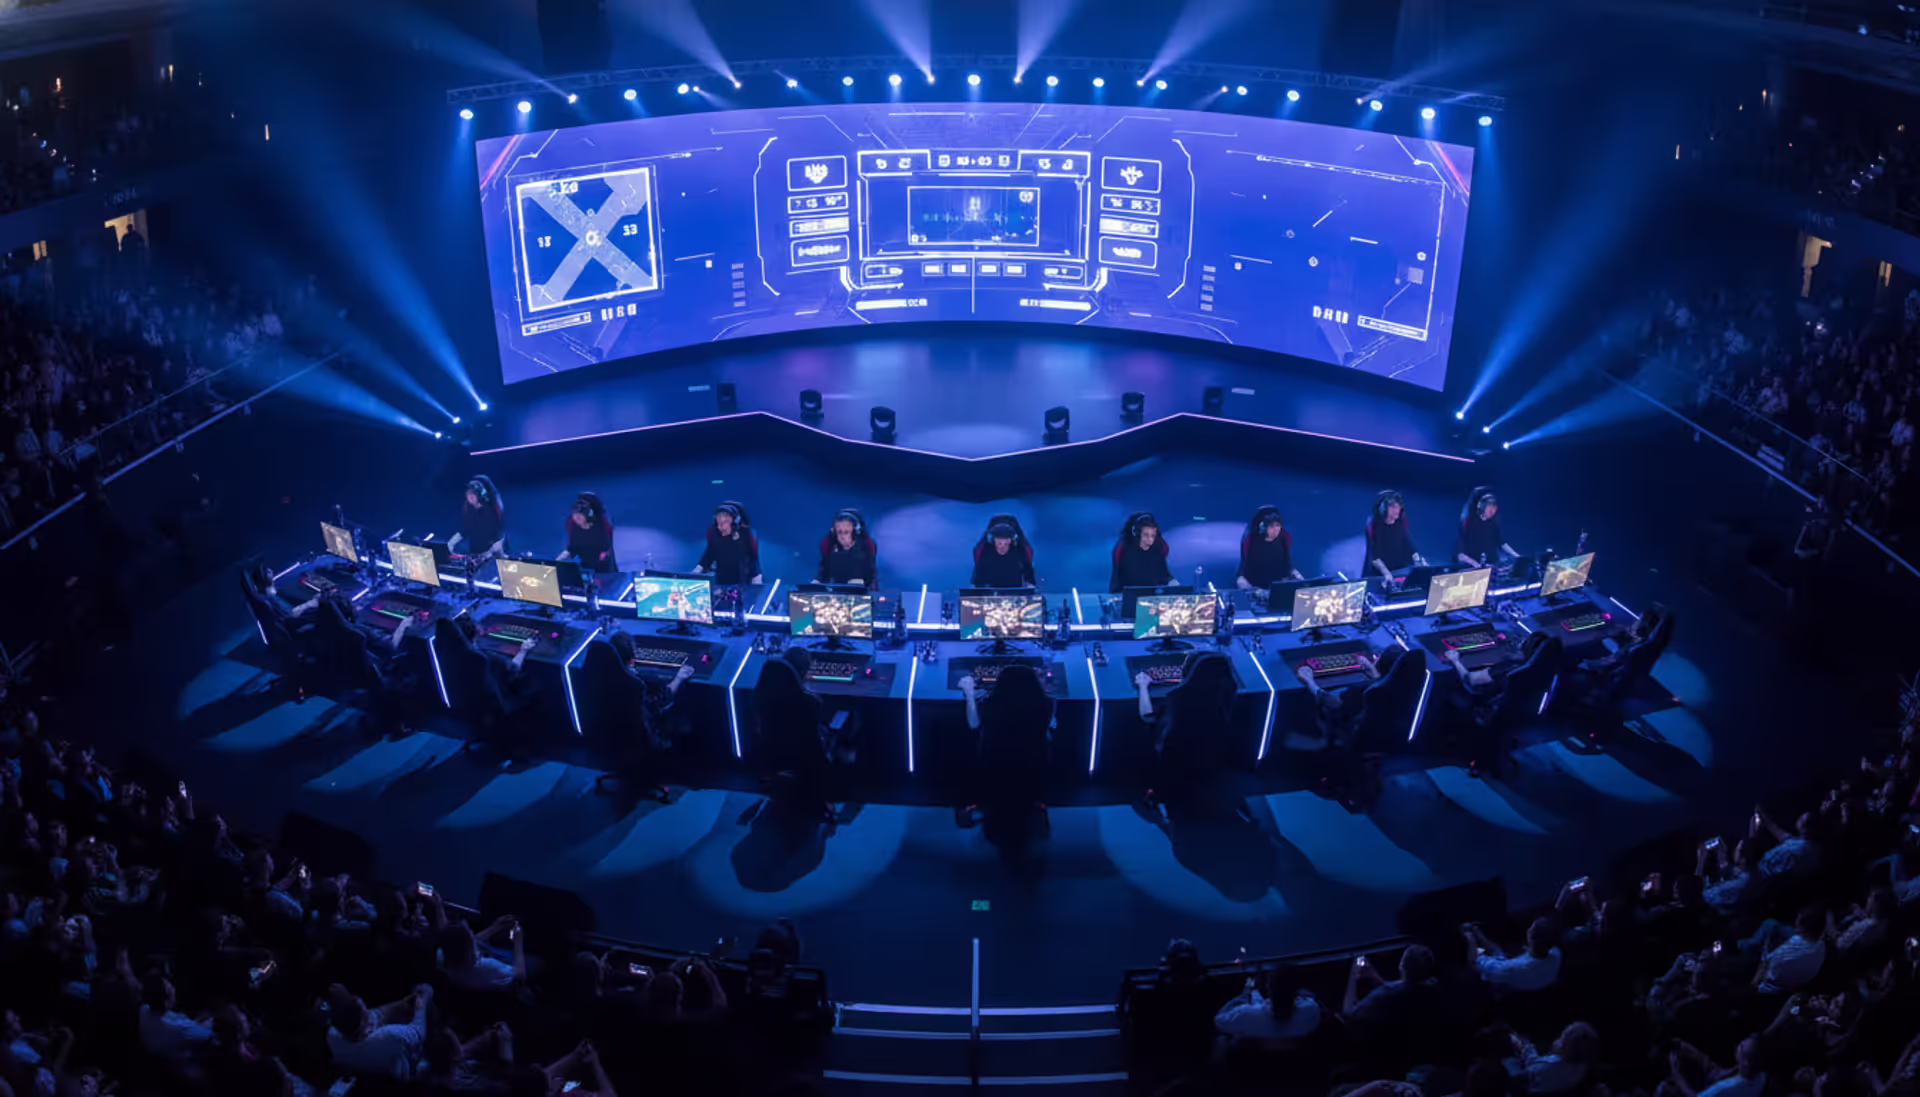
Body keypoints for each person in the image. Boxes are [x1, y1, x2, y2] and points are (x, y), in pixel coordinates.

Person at [1213, 963, 1323, 1047]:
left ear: (1268, 987)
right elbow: (1310, 998)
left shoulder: (1244, 1015)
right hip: (1295, 1069)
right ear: (1297, 990)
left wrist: (1245, 993)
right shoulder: (1311, 1012)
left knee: (1222, 1041)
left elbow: (1219, 1020)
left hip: (1255, 1071)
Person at [1466, 917, 1563, 994]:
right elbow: (1499, 955)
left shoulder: (1514, 968)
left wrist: (1470, 939)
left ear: (1530, 937)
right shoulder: (1556, 951)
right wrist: (1478, 934)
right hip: (1540, 980)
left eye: (1531, 927)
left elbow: (1476, 962)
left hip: (1517, 989)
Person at [1235, 506, 1303, 591]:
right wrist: (1255, 590)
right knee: (1241, 582)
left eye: (1277, 525)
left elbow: (1287, 565)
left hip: (1279, 585)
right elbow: (1242, 575)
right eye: (1271, 526)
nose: (1275, 530)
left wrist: (1299, 578)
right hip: (1255, 586)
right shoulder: (1250, 540)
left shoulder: (1284, 537)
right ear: (1262, 527)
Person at [695, 502, 761, 585]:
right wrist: (692, 576)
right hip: (721, 583)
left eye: (725, 520)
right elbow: (706, 560)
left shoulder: (745, 536)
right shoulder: (715, 536)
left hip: (742, 584)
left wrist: (757, 585)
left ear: (734, 521)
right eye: (718, 521)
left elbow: (753, 563)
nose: (721, 526)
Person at [1364, 490, 1423, 581]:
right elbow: (1375, 556)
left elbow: (1408, 545)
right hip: (1380, 573)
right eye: (1393, 507)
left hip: (1400, 569)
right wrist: (1386, 573)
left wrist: (1418, 560)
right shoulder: (1375, 526)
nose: (1397, 510)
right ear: (1383, 509)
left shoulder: (1401, 522)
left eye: (1398, 506)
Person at [1109, 512, 1173, 592]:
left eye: (1153, 535)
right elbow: (1117, 581)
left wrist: (1171, 582)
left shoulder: (1158, 550)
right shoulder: (1124, 550)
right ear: (1136, 533)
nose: (1150, 539)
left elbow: (1164, 575)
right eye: (1146, 535)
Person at [448, 476, 506, 562]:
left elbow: (500, 536)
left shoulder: (492, 508)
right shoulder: (468, 508)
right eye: (468, 494)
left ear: (480, 495)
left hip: (494, 554)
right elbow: (466, 530)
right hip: (475, 552)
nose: (470, 497)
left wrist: (489, 552)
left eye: (473, 494)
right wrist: (451, 542)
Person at [1456, 487, 1519, 566]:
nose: (1493, 511)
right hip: (1474, 568)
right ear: (1481, 507)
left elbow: (1501, 542)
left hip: (1492, 565)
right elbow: (1460, 555)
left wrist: (1517, 556)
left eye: (1494, 508)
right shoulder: (1468, 522)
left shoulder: (1493, 522)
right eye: (1490, 508)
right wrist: (1477, 565)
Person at [557, 492, 617, 573]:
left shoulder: (602, 525)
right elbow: (571, 548)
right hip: (585, 561)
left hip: (601, 560)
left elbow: (606, 548)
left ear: (588, 515)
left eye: (580, 517)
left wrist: (604, 556)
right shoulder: (571, 524)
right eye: (575, 517)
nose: (576, 520)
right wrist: (559, 559)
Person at [816, 509, 877, 586]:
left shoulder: (866, 546)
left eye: (846, 532)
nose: (842, 537)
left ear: (855, 532)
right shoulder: (828, 545)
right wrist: (818, 582)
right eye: (839, 532)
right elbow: (823, 572)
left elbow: (872, 576)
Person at [970, 516, 1035, 589]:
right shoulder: (984, 553)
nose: (1002, 547)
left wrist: (1029, 584)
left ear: (1011, 542)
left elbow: (1028, 575)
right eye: (999, 543)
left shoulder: (1021, 552)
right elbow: (979, 577)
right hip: (991, 593)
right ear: (993, 541)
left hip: (1015, 591)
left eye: (1005, 544)